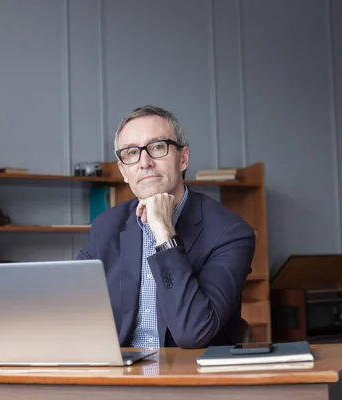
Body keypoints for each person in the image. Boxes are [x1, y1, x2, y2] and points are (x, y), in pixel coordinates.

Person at [77, 105, 255, 349]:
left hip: (191, 376)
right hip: (120, 374)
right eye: (131, 153)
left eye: (158, 147)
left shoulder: (230, 233)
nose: (145, 162)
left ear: (183, 158)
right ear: (123, 172)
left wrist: (164, 234)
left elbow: (193, 333)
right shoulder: (106, 226)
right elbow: (75, 311)